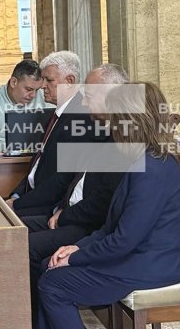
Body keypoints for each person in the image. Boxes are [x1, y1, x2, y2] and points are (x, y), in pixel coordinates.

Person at [33, 81, 180, 329]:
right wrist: (76, 248)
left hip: (151, 264)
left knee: (54, 285)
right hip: (137, 255)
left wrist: (77, 258)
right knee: (50, 268)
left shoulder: (150, 169)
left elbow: (124, 240)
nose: (111, 127)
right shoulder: (141, 159)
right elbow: (112, 227)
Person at [20, 64, 128, 314]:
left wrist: (64, 216)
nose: (84, 102)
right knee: (14, 229)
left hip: (90, 226)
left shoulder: (122, 139)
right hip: (70, 213)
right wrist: (61, 209)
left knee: (27, 246)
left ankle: (34, 323)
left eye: (89, 95)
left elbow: (104, 202)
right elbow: (75, 180)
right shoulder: (97, 126)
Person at [8, 51, 97, 202]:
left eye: (48, 80)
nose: (42, 86)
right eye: (43, 79)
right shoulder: (57, 114)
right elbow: (37, 167)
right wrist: (16, 195)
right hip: (30, 197)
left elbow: (61, 182)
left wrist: (17, 205)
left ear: (69, 81)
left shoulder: (81, 118)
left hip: (46, 206)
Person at [0, 59, 46, 152]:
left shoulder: (43, 96)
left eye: (37, 90)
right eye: (28, 89)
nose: (33, 95)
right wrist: (19, 144)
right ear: (13, 82)